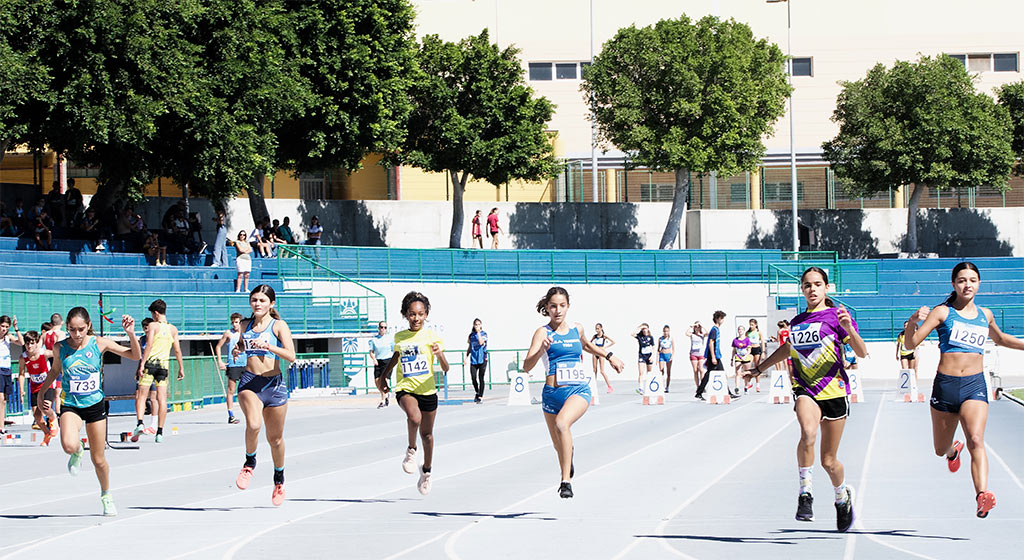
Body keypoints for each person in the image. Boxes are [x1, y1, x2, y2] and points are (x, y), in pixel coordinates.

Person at [745, 267, 866, 532]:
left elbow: (861, 351)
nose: (812, 289)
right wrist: (759, 369)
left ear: (826, 288)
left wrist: (848, 328)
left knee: (829, 461)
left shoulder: (837, 317)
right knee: (808, 433)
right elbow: (788, 349)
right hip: (806, 389)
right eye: (807, 285)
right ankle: (805, 494)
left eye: (817, 284)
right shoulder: (798, 321)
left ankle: (841, 497)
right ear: (802, 289)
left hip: (834, 392)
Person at [902, 262, 1024, 519]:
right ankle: (952, 452)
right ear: (954, 284)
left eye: (972, 280)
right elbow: (911, 343)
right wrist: (913, 321)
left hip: (974, 386)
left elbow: (1001, 339)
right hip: (945, 387)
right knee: (940, 449)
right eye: (962, 280)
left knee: (976, 439)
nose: (967, 285)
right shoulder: (942, 312)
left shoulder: (985, 315)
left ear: (979, 284)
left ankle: (982, 495)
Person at [37, 307, 141, 516]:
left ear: (88, 326)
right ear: (67, 327)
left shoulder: (99, 343)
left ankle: (106, 495)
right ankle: (77, 451)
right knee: (68, 445)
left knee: (98, 459)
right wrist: (41, 394)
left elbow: (134, 355)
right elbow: (55, 370)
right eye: (72, 330)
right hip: (71, 404)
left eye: (81, 329)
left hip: (94, 405)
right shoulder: (60, 347)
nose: (76, 334)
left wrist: (131, 334)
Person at [522, 287, 625, 498]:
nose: (558, 310)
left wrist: (609, 356)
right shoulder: (542, 333)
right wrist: (541, 350)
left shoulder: (576, 329)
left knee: (562, 424)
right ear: (547, 308)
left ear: (568, 306)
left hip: (578, 390)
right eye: (553, 306)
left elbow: (587, 346)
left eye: (562, 306)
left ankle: (565, 482)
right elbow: (526, 366)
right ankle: (568, 453)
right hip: (552, 394)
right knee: (558, 445)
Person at [233, 285, 297, 506]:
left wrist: (269, 347)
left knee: (275, 439)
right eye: (254, 300)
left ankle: (279, 479)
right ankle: (249, 464)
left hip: (274, 385)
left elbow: (291, 356)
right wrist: (238, 349)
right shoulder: (244, 325)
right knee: (253, 425)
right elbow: (243, 344)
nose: (257, 304)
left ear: (271, 304)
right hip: (250, 382)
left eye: (262, 300)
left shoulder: (278, 325)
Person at [380, 291, 449, 495]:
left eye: (420, 314)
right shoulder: (400, 337)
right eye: (412, 314)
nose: (416, 318)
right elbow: (396, 357)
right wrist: (384, 377)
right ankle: (411, 449)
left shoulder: (432, 337)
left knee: (427, 435)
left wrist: (439, 354)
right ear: (406, 315)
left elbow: (446, 368)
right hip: (406, 388)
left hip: (427, 390)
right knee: (414, 417)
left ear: (426, 314)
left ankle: (426, 471)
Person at [131, 300, 184, 443]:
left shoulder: (153, 326)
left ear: (155, 313)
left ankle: (140, 423)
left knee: (141, 396)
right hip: (163, 367)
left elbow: (148, 345)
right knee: (162, 399)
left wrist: (142, 364)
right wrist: (181, 367)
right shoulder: (173, 329)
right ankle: (159, 432)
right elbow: (177, 350)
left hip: (150, 364)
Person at [18, 331, 57, 441]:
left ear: (36, 343)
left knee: (46, 407)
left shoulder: (44, 353)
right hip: (35, 387)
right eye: (27, 344)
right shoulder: (23, 357)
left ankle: (53, 419)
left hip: (47, 384)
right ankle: (47, 433)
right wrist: (21, 390)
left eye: (32, 343)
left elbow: (58, 353)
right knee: (36, 416)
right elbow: (21, 374)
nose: (29, 346)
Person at [214, 313, 246, 424]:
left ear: (240, 322)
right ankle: (231, 415)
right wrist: (220, 361)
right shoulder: (228, 333)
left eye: (236, 322)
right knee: (231, 390)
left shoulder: (245, 333)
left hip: (245, 364)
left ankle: (250, 412)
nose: (234, 325)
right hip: (233, 364)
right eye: (232, 322)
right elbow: (218, 346)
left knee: (246, 390)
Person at [134, 318, 159, 435]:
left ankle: (154, 423)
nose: (146, 330)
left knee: (153, 397)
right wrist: (138, 369)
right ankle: (139, 422)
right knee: (139, 396)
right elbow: (140, 356)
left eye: (148, 328)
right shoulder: (142, 339)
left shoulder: (156, 339)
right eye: (144, 328)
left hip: (154, 369)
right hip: (143, 370)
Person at [695, 311, 727, 401]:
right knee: (718, 373)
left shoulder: (716, 329)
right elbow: (711, 343)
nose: (723, 320)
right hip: (713, 355)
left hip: (716, 355)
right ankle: (699, 392)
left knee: (711, 374)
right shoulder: (714, 330)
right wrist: (713, 357)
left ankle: (699, 392)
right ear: (718, 319)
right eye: (722, 318)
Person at [0, 316, 24, 434]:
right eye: (2, 326)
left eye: (6, 327)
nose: (4, 329)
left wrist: (16, 328)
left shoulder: (8, 337)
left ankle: (1, 425)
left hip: (7, 369)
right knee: (0, 398)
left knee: (4, 400)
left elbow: (21, 342)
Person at [368, 321, 394, 409]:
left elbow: (394, 350)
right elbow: (371, 352)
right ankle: (387, 393)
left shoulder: (390, 339)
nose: (383, 329)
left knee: (384, 380)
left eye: (385, 327)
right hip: (378, 361)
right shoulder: (374, 339)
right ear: (379, 328)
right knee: (377, 381)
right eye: (382, 327)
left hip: (388, 361)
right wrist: (374, 359)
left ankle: (383, 400)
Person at [467, 319, 488, 403]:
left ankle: (480, 396)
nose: (477, 326)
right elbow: (470, 347)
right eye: (476, 325)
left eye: (479, 324)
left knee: (481, 377)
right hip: (474, 359)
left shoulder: (484, 334)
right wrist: (466, 357)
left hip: (482, 359)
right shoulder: (471, 335)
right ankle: (477, 392)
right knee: (473, 377)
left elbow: (481, 342)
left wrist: (478, 332)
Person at [590, 323, 615, 393]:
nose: (597, 330)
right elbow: (589, 343)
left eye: (598, 329)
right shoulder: (595, 336)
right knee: (594, 370)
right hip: (595, 353)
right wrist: (593, 348)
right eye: (596, 329)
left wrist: (605, 347)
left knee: (602, 371)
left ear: (601, 328)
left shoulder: (604, 336)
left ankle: (609, 387)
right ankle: (593, 387)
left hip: (601, 353)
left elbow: (613, 342)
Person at [632, 323, 655, 394]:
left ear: (648, 329)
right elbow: (632, 334)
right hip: (642, 356)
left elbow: (653, 347)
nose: (645, 330)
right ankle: (641, 388)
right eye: (643, 329)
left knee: (649, 373)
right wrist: (639, 327)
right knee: (641, 372)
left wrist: (652, 356)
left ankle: (649, 387)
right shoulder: (640, 336)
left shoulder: (650, 337)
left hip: (649, 356)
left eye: (646, 328)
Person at [731, 326, 752, 395]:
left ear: (744, 330)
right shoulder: (735, 340)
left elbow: (749, 350)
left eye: (741, 329)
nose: (740, 331)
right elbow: (734, 350)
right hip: (738, 357)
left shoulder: (747, 339)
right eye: (739, 329)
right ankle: (737, 387)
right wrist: (732, 359)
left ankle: (746, 387)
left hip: (746, 357)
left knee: (746, 373)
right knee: (738, 372)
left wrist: (745, 356)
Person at [686, 322, 705, 392]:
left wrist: (702, 326)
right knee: (695, 370)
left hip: (701, 354)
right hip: (693, 354)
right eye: (696, 327)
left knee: (701, 370)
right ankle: (698, 386)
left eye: (698, 327)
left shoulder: (702, 335)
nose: (697, 328)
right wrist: (692, 326)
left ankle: (702, 386)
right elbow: (686, 333)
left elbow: (708, 333)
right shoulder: (692, 335)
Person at [747, 319, 764, 392]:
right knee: (749, 365)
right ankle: (749, 382)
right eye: (750, 325)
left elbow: (762, 341)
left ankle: (758, 385)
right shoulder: (748, 332)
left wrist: (763, 352)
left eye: (752, 325)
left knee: (757, 367)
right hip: (750, 349)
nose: (751, 326)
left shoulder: (758, 332)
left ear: (756, 325)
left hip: (757, 348)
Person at [658, 325, 674, 393]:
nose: (666, 333)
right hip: (662, 355)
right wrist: (657, 357)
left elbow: (673, 349)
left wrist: (672, 356)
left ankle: (667, 387)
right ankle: (662, 386)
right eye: (664, 331)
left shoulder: (671, 339)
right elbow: (658, 349)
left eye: (667, 331)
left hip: (668, 355)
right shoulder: (660, 339)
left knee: (668, 372)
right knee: (661, 371)